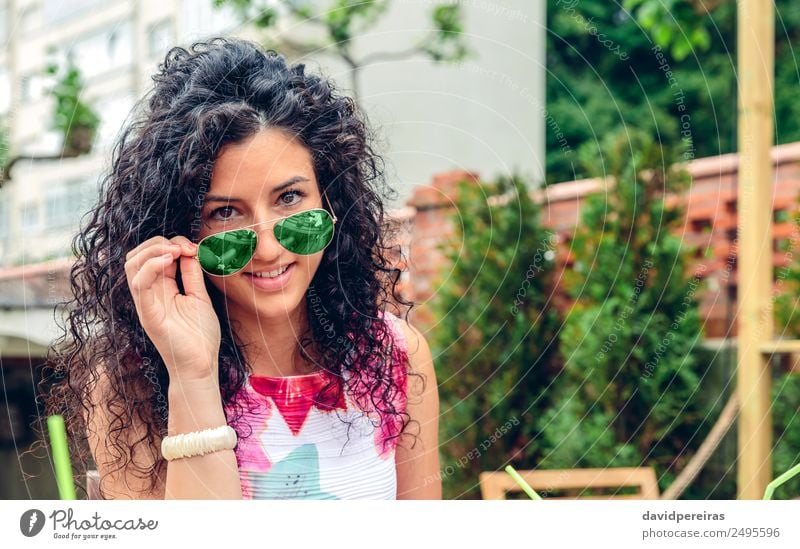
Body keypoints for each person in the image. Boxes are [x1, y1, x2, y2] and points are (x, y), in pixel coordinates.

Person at [42, 37, 440, 499]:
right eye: (225, 213)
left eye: (289, 198)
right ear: (181, 233)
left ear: (331, 201)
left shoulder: (395, 356)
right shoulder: (132, 384)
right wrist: (192, 375)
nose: (269, 249)